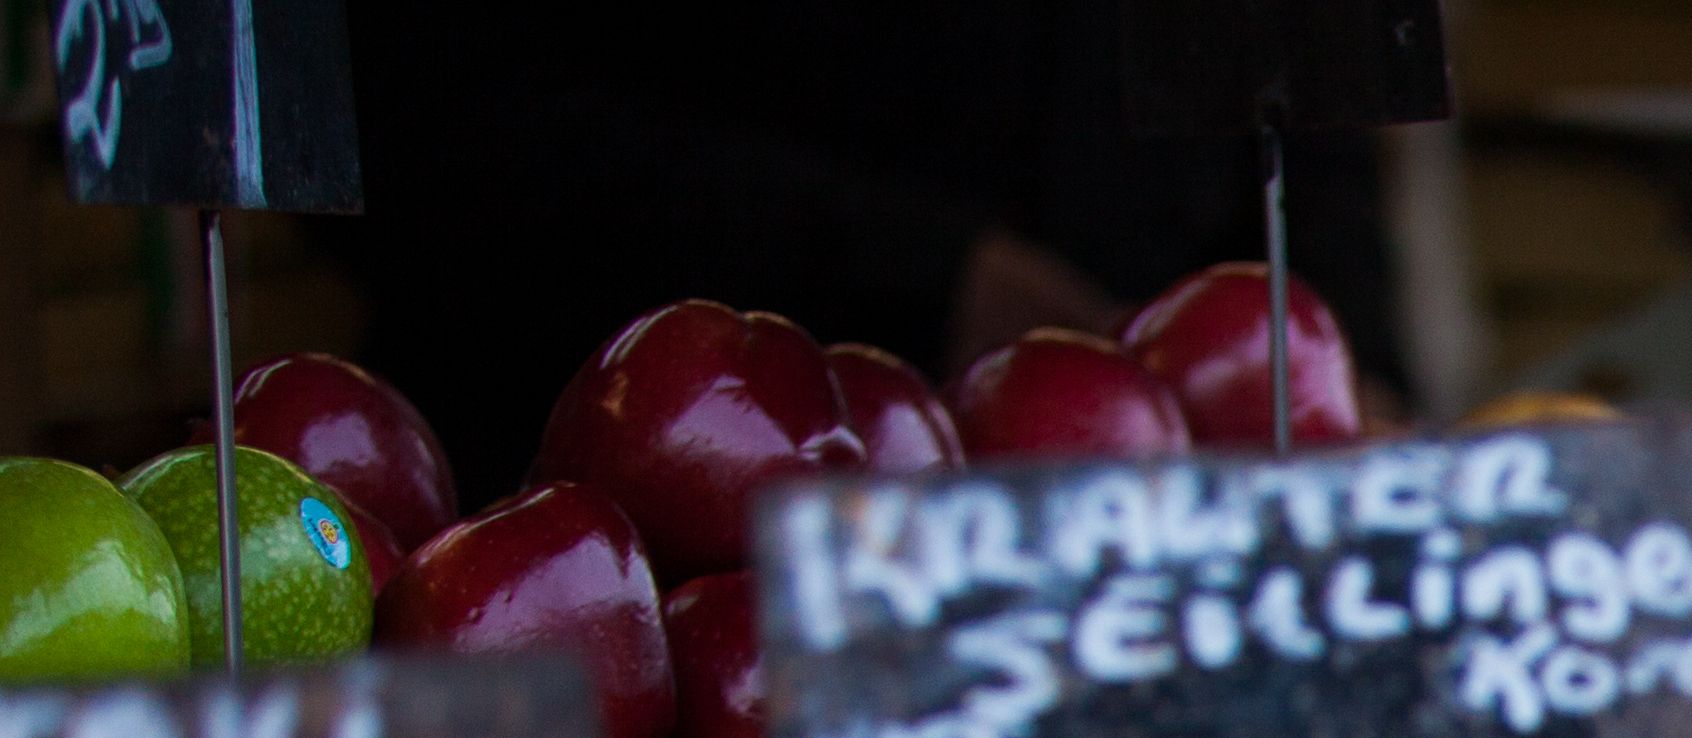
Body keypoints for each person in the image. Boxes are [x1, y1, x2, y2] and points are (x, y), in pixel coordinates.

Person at [341, 0, 1400, 488]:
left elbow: (1308, 109)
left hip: (1175, 520)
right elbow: (414, 113)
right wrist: (922, 276)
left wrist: (1341, 363)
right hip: (647, 534)